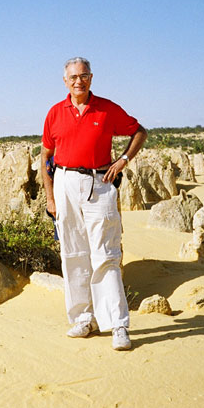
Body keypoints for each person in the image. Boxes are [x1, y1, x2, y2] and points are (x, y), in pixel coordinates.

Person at [41, 57, 147, 351]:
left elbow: (140, 132)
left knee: (106, 253)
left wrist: (123, 160)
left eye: (84, 76)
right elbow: (45, 157)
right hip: (64, 183)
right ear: (65, 81)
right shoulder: (54, 113)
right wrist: (50, 196)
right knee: (73, 253)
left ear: (91, 78)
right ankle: (83, 318)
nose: (79, 81)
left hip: (98, 183)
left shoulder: (107, 108)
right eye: (73, 77)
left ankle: (118, 325)